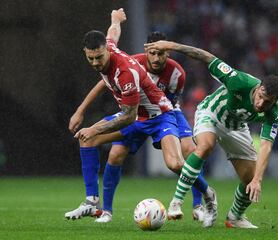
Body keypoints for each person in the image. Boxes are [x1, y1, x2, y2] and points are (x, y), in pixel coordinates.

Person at [64, 9, 216, 227]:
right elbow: (113, 31)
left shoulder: (125, 72)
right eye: (91, 58)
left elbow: (128, 116)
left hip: (160, 116)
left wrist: (94, 129)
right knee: (86, 139)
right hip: (138, 115)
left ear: (106, 52)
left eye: (99, 58)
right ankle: (92, 202)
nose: (96, 63)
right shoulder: (109, 48)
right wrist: (115, 19)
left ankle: (208, 194)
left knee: (174, 164)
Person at [145, 40, 278, 228]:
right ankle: (176, 202)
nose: (261, 104)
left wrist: (257, 180)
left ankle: (235, 217)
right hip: (211, 114)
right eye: (260, 97)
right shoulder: (238, 80)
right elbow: (206, 56)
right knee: (205, 145)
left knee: (250, 178)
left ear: (275, 100)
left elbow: (266, 145)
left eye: (267, 102)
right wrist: (170, 45)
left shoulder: (274, 112)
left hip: (236, 127)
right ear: (259, 88)